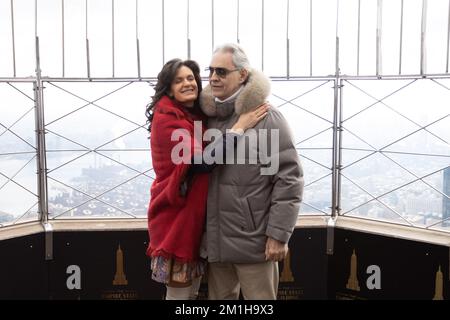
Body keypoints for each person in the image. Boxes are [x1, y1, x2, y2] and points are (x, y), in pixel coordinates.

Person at [145, 58, 268, 300]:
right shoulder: (168, 118)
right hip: (177, 221)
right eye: (178, 80)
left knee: (190, 294)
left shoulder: (192, 116)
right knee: (180, 296)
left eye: (191, 78)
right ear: (168, 88)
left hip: (194, 220)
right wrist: (239, 127)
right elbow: (203, 162)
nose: (187, 84)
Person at [200, 43, 304, 300]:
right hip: (216, 244)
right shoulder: (205, 118)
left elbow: (289, 178)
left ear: (243, 74)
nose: (213, 77)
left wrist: (278, 235)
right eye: (210, 70)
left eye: (222, 72)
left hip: (255, 245)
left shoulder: (268, 118)